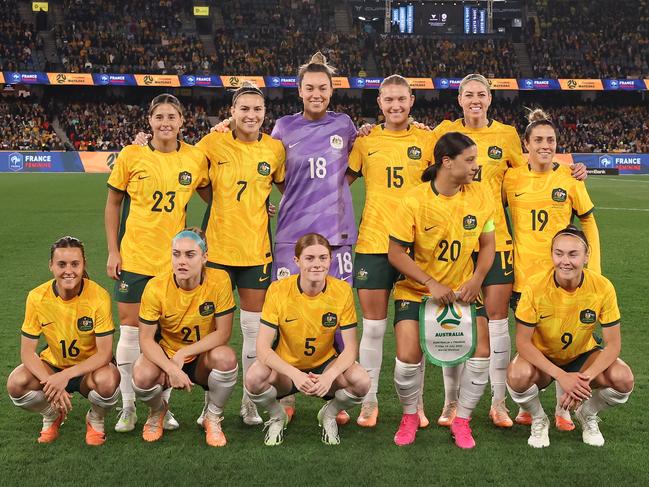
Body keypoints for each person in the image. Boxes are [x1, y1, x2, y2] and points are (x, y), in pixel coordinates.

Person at [429, 74, 587, 429]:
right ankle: (450, 403)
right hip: (454, 242)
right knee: (453, 324)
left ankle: (498, 403)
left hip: (496, 241)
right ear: (459, 99)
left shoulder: (507, 136)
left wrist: (571, 170)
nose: (475, 99)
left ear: (490, 99)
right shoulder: (443, 132)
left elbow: (532, 171)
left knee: (498, 324)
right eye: (468, 94)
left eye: (481, 94)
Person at [105, 93, 209, 432]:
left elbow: (216, 195)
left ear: (182, 121)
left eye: (172, 117)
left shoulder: (194, 158)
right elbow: (113, 205)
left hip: (173, 262)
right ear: (149, 121)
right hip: (135, 258)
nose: (165, 122)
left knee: (165, 337)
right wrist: (113, 250)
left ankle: (162, 406)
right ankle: (128, 407)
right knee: (132, 333)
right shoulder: (132, 155)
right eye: (159, 116)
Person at [388, 132, 495, 449]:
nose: (476, 165)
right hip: (416, 291)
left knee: (481, 352)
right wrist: (429, 282)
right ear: (447, 162)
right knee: (408, 357)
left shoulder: (480, 195)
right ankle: (410, 416)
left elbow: (488, 246)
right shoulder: (414, 200)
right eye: (470, 159)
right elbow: (395, 253)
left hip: (462, 291)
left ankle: (462, 420)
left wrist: (476, 279)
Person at [269, 52, 359, 424]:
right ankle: (286, 393)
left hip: (336, 237)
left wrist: (331, 195)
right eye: (310, 88)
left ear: (332, 90)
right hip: (293, 236)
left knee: (336, 320)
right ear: (299, 90)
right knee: (287, 316)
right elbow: (272, 174)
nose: (316, 93)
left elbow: (352, 169)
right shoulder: (283, 127)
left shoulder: (346, 125)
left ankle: (334, 393)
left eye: (323, 88)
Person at [503, 109, 601, 430]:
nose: (545, 145)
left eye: (551, 140)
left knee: (567, 344)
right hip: (524, 281)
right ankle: (530, 408)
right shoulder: (512, 177)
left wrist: (593, 269)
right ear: (526, 145)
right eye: (539, 140)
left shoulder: (568, 178)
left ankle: (563, 408)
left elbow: (587, 219)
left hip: (566, 278)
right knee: (528, 343)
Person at [195, 81, 286, 426]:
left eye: (257, 109)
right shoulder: (212, 142)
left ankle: (249, 402)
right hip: (216, 251)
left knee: (252, 332)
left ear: (265, 114)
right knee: (210, 333)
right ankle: (209, 405)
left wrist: (263, 206)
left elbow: (285, 188)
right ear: (231, 112)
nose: (250, 115)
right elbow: (202, 185)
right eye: (244, 108)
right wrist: (228, 208)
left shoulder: (274, 150)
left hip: (255, 252)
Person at [346, 74, 434, 428]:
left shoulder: (429, 140)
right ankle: (368, 402)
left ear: (412, 101)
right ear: (379, 104)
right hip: (373, 243)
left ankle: (417, 404)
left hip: (417, 247)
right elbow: (338, 185)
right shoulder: (365, 142)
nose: (395, 105)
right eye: (389, 100)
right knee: (373, 329)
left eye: (402, 99)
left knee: (417, 330)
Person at [507, 226, 633, 448]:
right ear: (552, 254)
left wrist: (582, 381)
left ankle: (587, 413)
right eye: (559, 253)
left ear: (586, 256)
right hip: (544, 358)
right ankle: (539, 418)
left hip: (583, 356)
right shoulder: (535, 286)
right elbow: (522, 342)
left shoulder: (602, 287)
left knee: (624, 379)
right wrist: (562, 377)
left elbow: (613, 345)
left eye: (573, 254)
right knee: (517, 375)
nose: (565, 261)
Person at [244, 233, 370, 446]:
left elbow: (350, 349)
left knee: (361, 381)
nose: (317, 264)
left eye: (323, 258)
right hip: (287, 370)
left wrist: (329, 376)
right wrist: (295, 374)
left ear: (330, 260)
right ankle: (277, 415)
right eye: (309, 258)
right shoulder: (278, 290)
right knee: (254, 377)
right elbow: (263, 348)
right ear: (297, 261)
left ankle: (329, 414)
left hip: (324, 366)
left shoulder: (342, 291)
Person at [7, 236, 120, 445]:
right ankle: (51, 414)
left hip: (89, 370)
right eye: (61, 264)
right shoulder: (36, 297)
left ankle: (95, 419)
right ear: (51, 266)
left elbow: (104, 353)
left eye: (75, 264)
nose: (69, 270)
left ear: (84, 264)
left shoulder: (98, 296)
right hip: (53, 366)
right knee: (16, 384)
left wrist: (65, 377)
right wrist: (52, 382)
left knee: (109, 381)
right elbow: (27, 352)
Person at [133, 228, 238, 447]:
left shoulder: (219, 280)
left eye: (190, 254)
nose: (181, 261)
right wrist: (171, 368)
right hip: (166, 357)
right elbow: (145, 340)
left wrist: (184, 353)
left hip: (201, 357)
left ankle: (212, 416)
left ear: (204, 257)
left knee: (226, 358)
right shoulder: (156, 287)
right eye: (176, 254)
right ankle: (158, 411)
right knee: (141, 374)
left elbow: (223, 333)